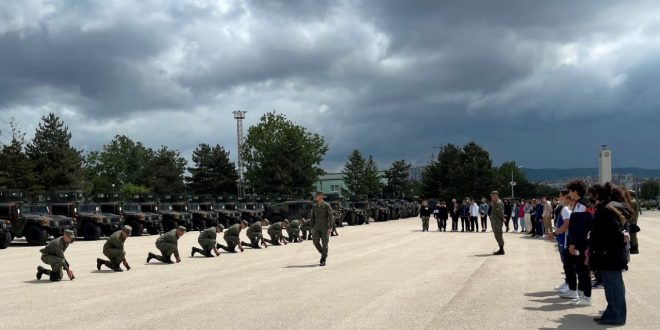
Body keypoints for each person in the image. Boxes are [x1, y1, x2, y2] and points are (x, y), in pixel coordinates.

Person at [589, 184, 631, 326]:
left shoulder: (608, 209)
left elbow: (614, 232)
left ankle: (617, 316)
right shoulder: (608, 207)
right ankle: (611, 312)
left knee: (614, 286)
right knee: (610, 286)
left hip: (609, 254)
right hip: (608, 253)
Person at [563, 180, 593, 306]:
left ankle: (586, 297)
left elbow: (579, 228)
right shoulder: (581, 204)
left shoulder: (581, 206)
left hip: (582, 243)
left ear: (575, 192)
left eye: (570, 191)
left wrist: (573, 243)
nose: (569, 194)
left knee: (583, 269)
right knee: (580, 269)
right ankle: (582, 295)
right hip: (583, 242)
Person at [546, 190, 572, 293]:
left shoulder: (566, 209)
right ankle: (567, 282)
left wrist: (554, 233)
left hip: (564, 239)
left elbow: (566, 225)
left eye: (560, 196)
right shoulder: (563, 208)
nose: (559, 198)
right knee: (565, 263)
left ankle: (570, 284)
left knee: (567, 263)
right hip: (561, 239)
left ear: (565, 197)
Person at [309, 192, 333, 266]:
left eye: (316, 196)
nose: (315, 197)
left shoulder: (326, 205)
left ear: (320, 196)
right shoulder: (314, 206)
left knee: (325, 244)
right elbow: (312, 218)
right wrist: (312, 227)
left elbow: (331, 217)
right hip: (316, 227)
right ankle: (324, 253)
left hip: (325, 228)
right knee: (315, 242)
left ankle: (323, 259)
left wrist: (330, 227)